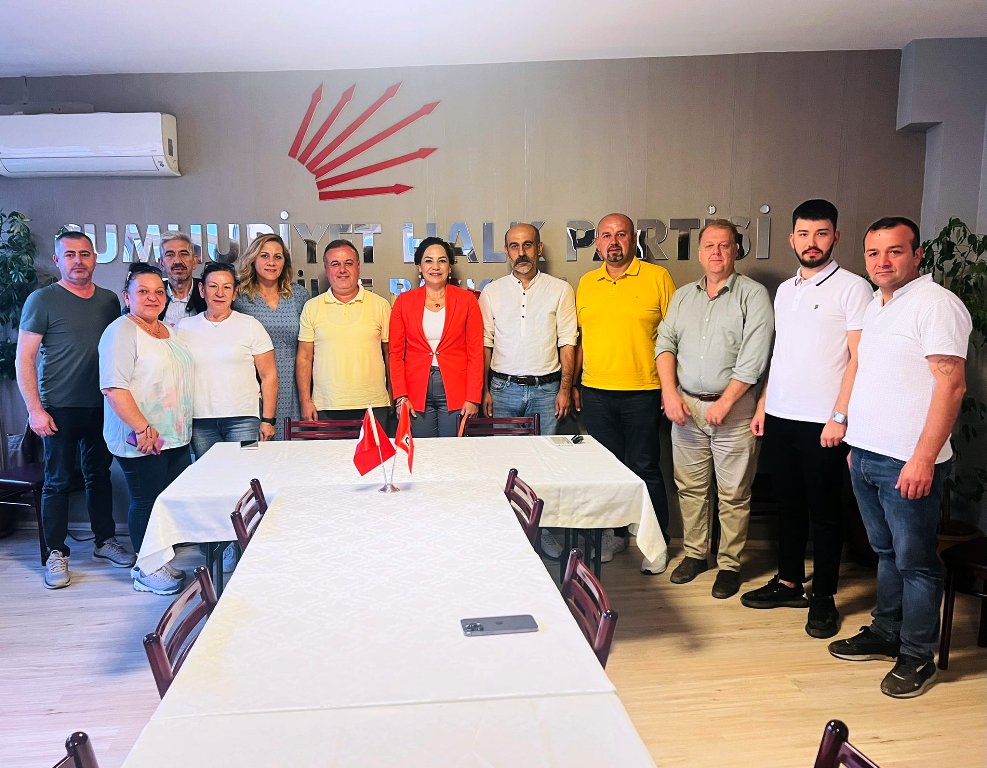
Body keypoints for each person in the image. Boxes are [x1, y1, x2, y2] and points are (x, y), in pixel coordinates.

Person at [828, 217, 970, 699]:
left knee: (917, 563)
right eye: (874, 253)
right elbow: (869, 374)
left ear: (917, 254)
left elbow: (951, 386)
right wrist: (855, 442)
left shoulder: (936, 305)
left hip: (908, 461)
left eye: (894, 251)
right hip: (868, 455)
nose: (882, 261)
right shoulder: (877, 304)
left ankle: (916, 656)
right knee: (886, 553)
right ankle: (886, 632)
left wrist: (924, 459)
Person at [742, 200, 872, 638]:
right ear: (792, 239)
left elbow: (859, 358)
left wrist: (841, 415)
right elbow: (781, 353)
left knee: (826, 513)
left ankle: (824, 598)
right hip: (781, 416)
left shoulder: (854, 288)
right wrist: (764, 403)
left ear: (835, 237)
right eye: (803, 234)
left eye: (821, 233)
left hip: (824, 422)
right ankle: (789, 582)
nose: (811, 242)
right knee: (788, 505)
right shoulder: (785, 290)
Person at [656, 219, 773, 599]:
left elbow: (754, 358)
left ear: (736, 249)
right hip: (686, 407)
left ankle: (729, 565)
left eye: (724, 245)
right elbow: (665, 343)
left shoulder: (753, 296)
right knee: (690, 488)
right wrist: (669, 393)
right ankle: (695, 554)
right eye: (709, 246)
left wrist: (726, 401)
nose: (717, 252)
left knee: (734, 493)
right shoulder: (683, 297)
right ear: (700, 252)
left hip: (734, 409)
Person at [16, 231, 132, 589]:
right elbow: (24, 358)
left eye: (84, 254)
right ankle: (56, 553)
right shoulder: (42, 300)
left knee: (99, 476)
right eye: (70, 255)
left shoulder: (110, 300)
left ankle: (104, 541)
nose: (78, 261)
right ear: (58, 260)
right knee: (57, 482)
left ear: (94, 258)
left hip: (102, 405)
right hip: (59, 407)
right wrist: (35, 410)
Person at [573, 213, 676, 574]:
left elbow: (674, 337)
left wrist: (671, 388)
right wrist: (575, 384)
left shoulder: (658, 277)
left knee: (645, 467)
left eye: (620, 235)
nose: (613, 242)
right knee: (608, 470)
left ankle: (658, 544)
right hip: (596, 391)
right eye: (606, 236)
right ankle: (615, 535)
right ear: (597, 243)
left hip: (643, 390)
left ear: (633, 239)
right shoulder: (587, 283)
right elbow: (581, 340)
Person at [99, 262, 194, 595]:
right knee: (146, 501)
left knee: (163, 501)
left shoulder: (167, 329)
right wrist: (142, 428)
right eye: (143, 291)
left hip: (173, 436)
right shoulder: (121, 332)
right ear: (127, 297)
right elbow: (114, 388)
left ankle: (158, 560)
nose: (152, 297)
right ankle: (146, 569)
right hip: (142, 436)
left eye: (158, 291)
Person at [479, 223, 577, 436]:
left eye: (528, 245)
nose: (521, 253)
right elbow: (485, 344)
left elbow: (567, 343)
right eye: (514, 246)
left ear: (539, 248)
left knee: (546, 453)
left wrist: (565, 390)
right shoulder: (491, 292)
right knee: (506, 453)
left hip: (547, 392)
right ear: (507, 251)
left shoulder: (561, 290)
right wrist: (484, 390)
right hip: (502, 391)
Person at [175, 262, 277, 458]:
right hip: (200, 421)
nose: (220, 293)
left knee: (246, 467)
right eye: (213, 286)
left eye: (227, 287)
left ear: (235, 292)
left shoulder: (250, 326)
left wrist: (267, 420)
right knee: (208, 472)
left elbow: (269, 376)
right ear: (202, 290)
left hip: (244, 420)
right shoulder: (183, 328)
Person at [390, 237, 483, 437]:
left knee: (453, 449)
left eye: (442, 260)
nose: (435, 267)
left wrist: (473, 397)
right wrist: (401, 396)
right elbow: (396, 354)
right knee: (424, 450)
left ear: (450, 267)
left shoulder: (467, 301)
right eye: (428, 261)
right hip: (416, 390)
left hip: (456, 388)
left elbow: (476, 352)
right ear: (419, 266)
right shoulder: (403, 302)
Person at [296, 239, 392, 427]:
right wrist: (305, 400)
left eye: (348, 263)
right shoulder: (312, 307)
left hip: (374, 404)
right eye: (335, 264)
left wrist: (392, 394)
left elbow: (390, 354)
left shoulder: (380, 305)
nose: (342, 270)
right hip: (326, 406)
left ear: (358, 266)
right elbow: (304, 358)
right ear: (326, 269)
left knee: (378, 449)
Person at [233, 233, 310, 431]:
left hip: (294, 383)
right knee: (257, 443)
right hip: (256, 382)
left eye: (278, 257)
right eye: (264, 256)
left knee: (293, 443)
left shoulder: (298, 295)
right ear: (253, 259)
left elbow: (309, 346)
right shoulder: (239, 297)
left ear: (285, 262)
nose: (271, 262)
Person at [158, 231, 206, 325]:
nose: (177, 261)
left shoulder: (208, 293)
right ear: (161, 263)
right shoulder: (152, 296)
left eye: (183, 254)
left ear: (194, 261)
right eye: (170, 255)